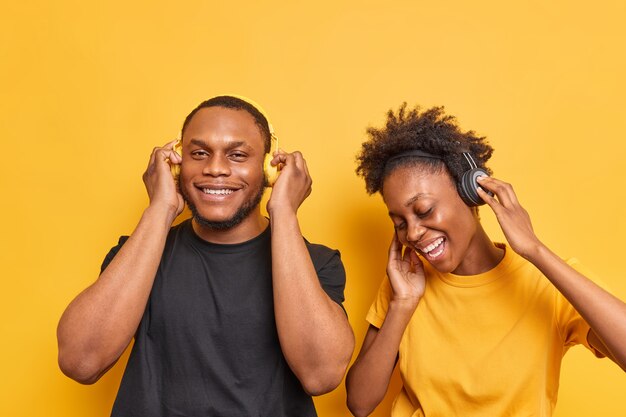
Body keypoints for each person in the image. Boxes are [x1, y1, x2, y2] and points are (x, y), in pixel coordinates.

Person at [57, 95, 354, 417]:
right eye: (198, 153)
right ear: (176, 165)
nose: (214, 169)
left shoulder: (316, 262)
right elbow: (81, 363)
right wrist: (160, 208)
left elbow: (321, 376)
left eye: (237, 155)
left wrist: (284, 211)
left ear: (269, 168)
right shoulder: (138, 254)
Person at [345, 103, 626, 417]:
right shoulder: (405, 283)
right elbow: (359, 402)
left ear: (472, 192)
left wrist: (535, 250)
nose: (411, 233)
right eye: (399, 222)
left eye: (423, 211)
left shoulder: (547, 283)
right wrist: (403, 303)